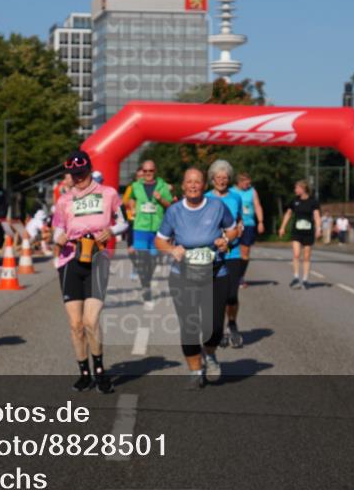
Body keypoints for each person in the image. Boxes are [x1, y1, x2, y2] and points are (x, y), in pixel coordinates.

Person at [52, 150, 127, 394]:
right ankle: (84, 372)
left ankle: (100, 370)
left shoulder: (108, 193)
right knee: (75, 324)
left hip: (97, 258)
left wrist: (112, 231)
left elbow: (123, 221)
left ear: (89, 170)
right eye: (74, 175)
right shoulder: (64, 200)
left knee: (91, 321)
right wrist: (58, 237)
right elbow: (56, 228)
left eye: (82, 174)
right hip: (70, 260)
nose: (78, 179)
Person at [156, 168, 238, 389]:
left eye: (197, 182)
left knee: (215, 328)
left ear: (204, 186)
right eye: (189, 182)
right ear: (183, 186)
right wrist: (172, 250)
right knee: (189, 326)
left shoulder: (217, 206)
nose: (193, 185)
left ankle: (209, 354)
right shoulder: (174, 211)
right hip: (182, 275)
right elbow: (160, 240)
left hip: (215, 273)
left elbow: (232, 230)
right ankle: (195, 371)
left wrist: (224, 240)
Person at [205, 160, 245, 349]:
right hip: (211, 254)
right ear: (212, 179)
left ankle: (232, 324)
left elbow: (238, 220)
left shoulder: (236, 197)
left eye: (225, 178)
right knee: (215, 296)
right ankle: (218, 330)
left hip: (232, 252)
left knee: (231, 295)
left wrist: (240, 227)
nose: (221, 181)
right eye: (218, 177)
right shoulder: (204, 197)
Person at [124, 159, 173, 309]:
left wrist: (160, 199)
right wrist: (132, 206)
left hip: (157, 227)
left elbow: (170, 204)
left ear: (155, 171)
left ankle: (147, 282)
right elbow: (127, 200)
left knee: (153, 260)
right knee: (143, 258)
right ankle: (146, 288)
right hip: (140, 227)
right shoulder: (135, 186)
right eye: (145, 171)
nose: (147, 174)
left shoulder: (163, 185)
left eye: (150, 171)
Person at [278, 180, 321, 290]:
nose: (295, 190)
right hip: (296, 232)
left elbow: (316, 216)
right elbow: (288, 214)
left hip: (308, 233)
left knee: (306, 257)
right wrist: (283, 227)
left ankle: (305, 279)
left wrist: (318, 228)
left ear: (303, 189)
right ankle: (296, 277)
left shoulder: (313, 202)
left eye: (297, 188)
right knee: (296, 254)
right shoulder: (294, 201)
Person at [231, 171, 265, 288]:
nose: (248, 184)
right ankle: (230, 276)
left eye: (249, 182)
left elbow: (257, 205)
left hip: (249, 224)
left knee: (245, 253)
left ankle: (240, 277)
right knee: (231, 251)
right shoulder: (231, 191)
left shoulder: (252, 191)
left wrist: (260, 222)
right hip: (234, 225)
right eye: (245, 182)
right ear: (239, 182)